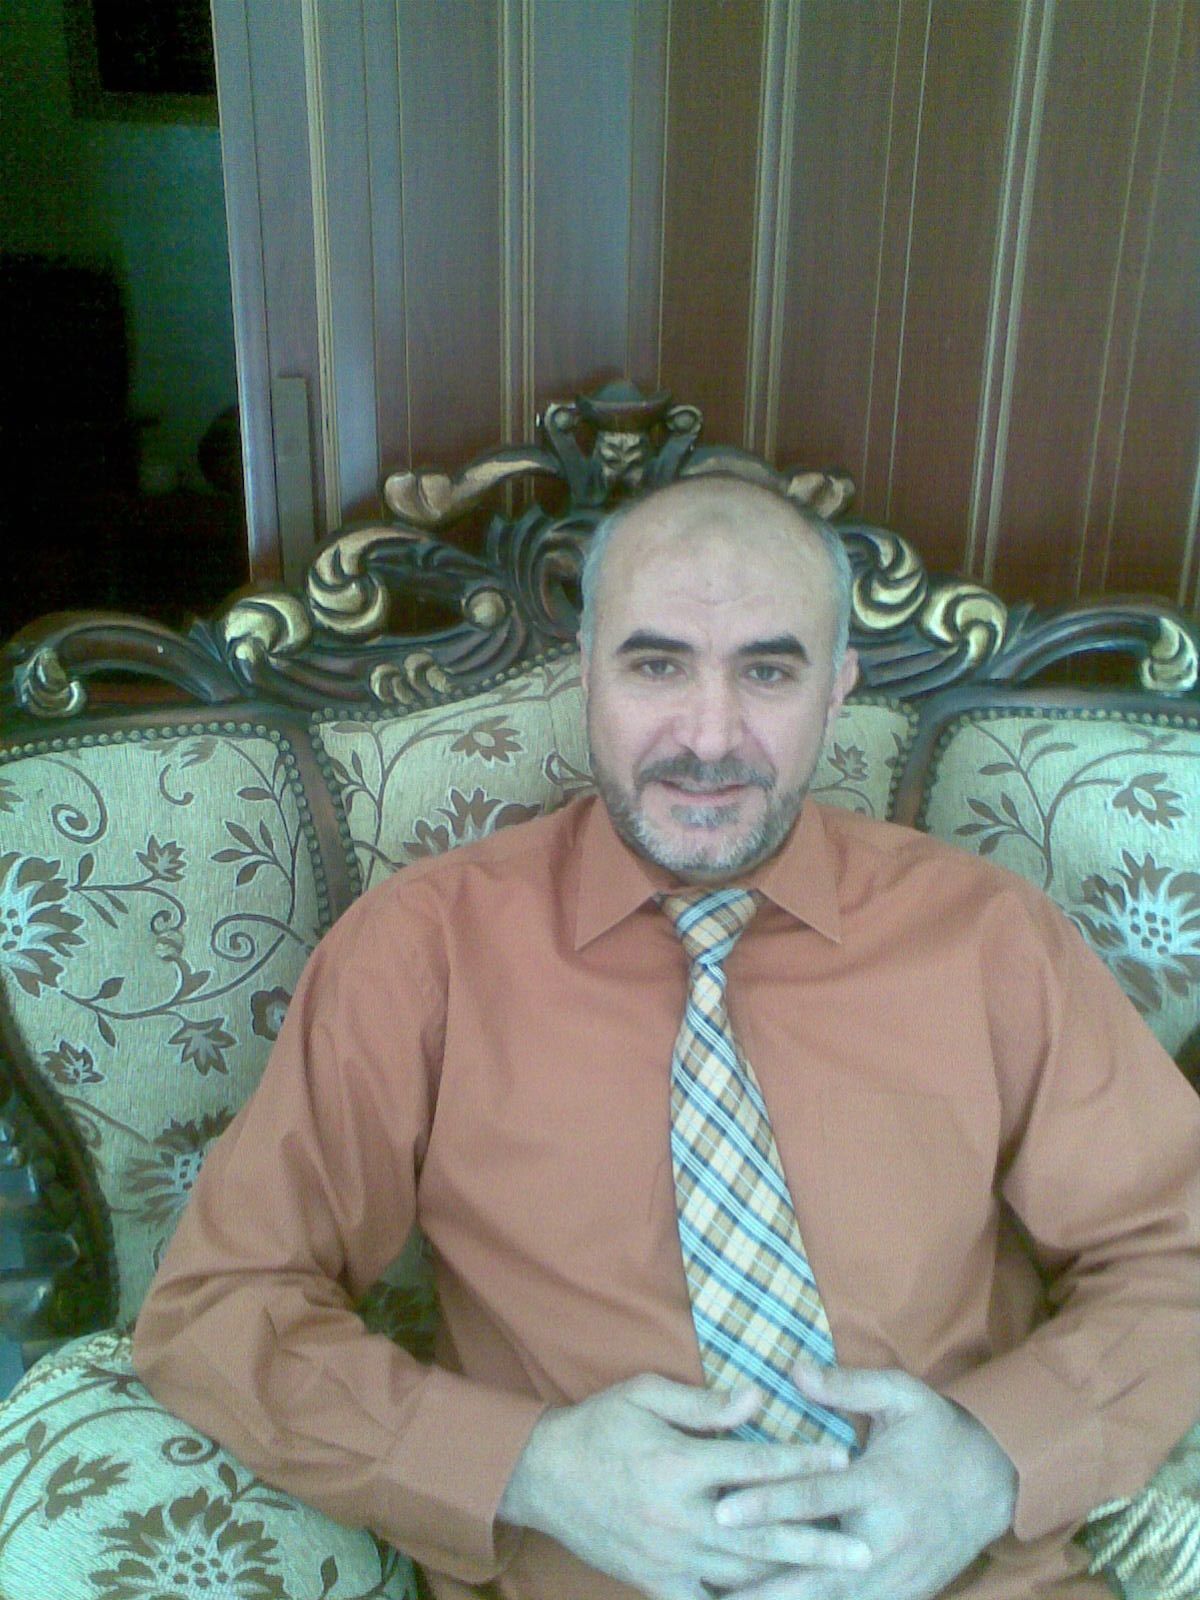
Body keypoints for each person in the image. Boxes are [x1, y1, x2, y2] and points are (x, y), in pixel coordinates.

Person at [133, 477, 1200, 1600]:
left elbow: (1176, 1249)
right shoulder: (421, 951)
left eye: (769, 672)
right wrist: (527, 1470)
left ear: (838, 687)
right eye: (655, 665)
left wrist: (992, 1463)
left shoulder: (989, 936)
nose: (709, 737)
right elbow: (219, 1304)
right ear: (585, 671)